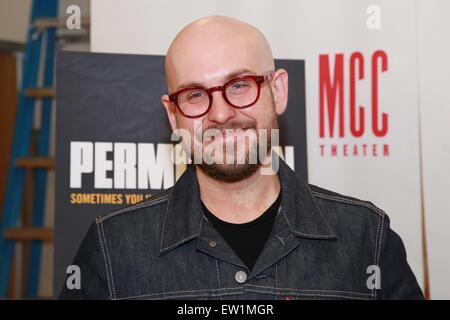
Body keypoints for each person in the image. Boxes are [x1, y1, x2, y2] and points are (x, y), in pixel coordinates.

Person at [60, 16, 423, 300]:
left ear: (277, 90)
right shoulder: (113, 246)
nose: (220, 114)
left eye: (239, 85)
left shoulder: (365, 237)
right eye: (195, 94)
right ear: (174, 116)